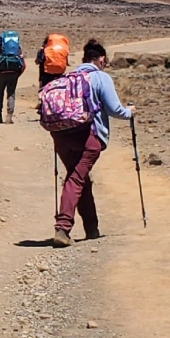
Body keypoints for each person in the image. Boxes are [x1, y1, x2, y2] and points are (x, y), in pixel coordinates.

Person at [50, 38, 135, 247]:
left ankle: (92, 228)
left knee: (79, 178)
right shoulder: (100, 77)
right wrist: (130, 112)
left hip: (61, 135)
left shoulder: (69, 77)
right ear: (101, 59)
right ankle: (63, 228)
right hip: (88, 135)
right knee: (77, 178)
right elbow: (115, 110)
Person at [0, 33, 25, 124]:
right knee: (11, 94)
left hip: (1, 73)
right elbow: (23, 64)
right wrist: (18, 73)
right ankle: (9, 117)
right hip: (14, 73)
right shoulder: (17, 49)